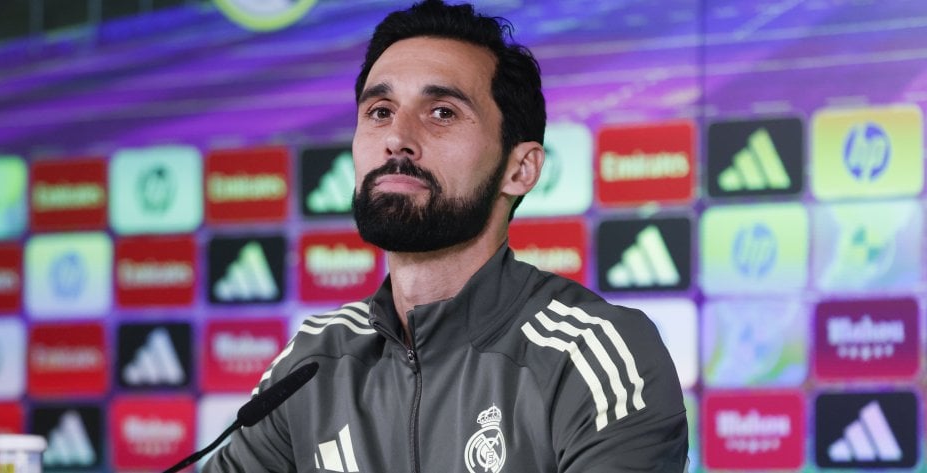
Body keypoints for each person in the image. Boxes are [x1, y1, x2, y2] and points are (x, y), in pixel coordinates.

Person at [204, 1, 688, 471]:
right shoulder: (315, 360)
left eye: (441, 113)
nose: (397, 137)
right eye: (379, 111)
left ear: (519, 169)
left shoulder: (591, 353)